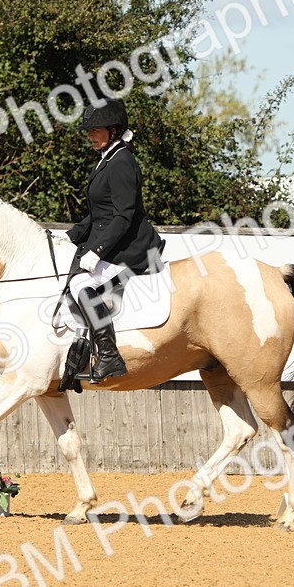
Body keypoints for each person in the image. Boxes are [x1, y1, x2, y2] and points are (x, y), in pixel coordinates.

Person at [63, 98, 164, 383]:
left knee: (81, 282)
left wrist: (96, 251)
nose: (90, 135)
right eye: (90, 131)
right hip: (115, 242)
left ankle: (108, 355)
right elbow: (99, 214)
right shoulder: (108, 158)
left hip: (134, 248)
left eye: (96, 130)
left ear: (114, 130)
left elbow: (123, 216)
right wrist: (69, 236)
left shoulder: (121, 161)